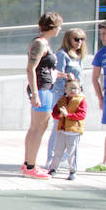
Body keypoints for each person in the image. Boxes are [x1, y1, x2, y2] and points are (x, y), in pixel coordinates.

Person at [23, 12, 63, 179]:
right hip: (42, 89)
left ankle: (29, 163)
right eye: (59, 26)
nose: (61, 29)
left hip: (43, 87)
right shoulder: (40, 44)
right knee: (39, 128)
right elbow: (31, 68)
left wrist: (61, 75)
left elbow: (43, 68)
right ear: (53, 27)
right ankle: (30, 165)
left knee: (36, 127)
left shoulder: (43, 43)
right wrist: (35, 93)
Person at [46, 28, 86, 166]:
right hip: (62, 94)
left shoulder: (78, 56)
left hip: (75, 96)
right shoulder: (63, 54)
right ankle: (51, 157)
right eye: (76, 39)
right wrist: (66, 80)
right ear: (69, 39)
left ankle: (63, 157)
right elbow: (56, 74)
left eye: (82, 39)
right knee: (58, 124)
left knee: (71, 126)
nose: (79, 42)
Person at [48, 79, 87, 180]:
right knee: (57, 151)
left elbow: (82, 115)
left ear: (79, 89)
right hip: (62, 130)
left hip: (74, 132)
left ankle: (73, 171)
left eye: (74, 88)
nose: (72, 90)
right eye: (69, 88)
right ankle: (53, 169)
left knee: (72, 152)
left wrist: (68, 115)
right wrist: (59, 115)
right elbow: (55, 113)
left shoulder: (81, 100)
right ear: (65, 89)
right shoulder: (62, 100)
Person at [87, 22, 106, 172]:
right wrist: (100, 97)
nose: (103, 37)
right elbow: (95, 78)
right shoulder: (101, 53)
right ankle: (105, 163)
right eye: (101, 34)